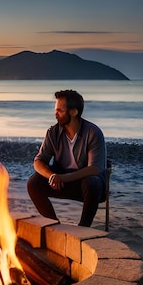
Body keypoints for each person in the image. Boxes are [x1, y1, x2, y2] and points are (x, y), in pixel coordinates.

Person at [27, 89, 107, 227]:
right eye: (55, 109)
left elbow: (94, 169)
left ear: (74, 112)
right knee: (33, 183)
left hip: (86, 187)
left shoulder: (93, 132)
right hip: (60, 184)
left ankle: (83, 228)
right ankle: (53, 224)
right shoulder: (53, 132)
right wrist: (52, 176)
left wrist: (62, 178)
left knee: (92, 182)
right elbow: (38, 161)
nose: (55, 114)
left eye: (60, 110)